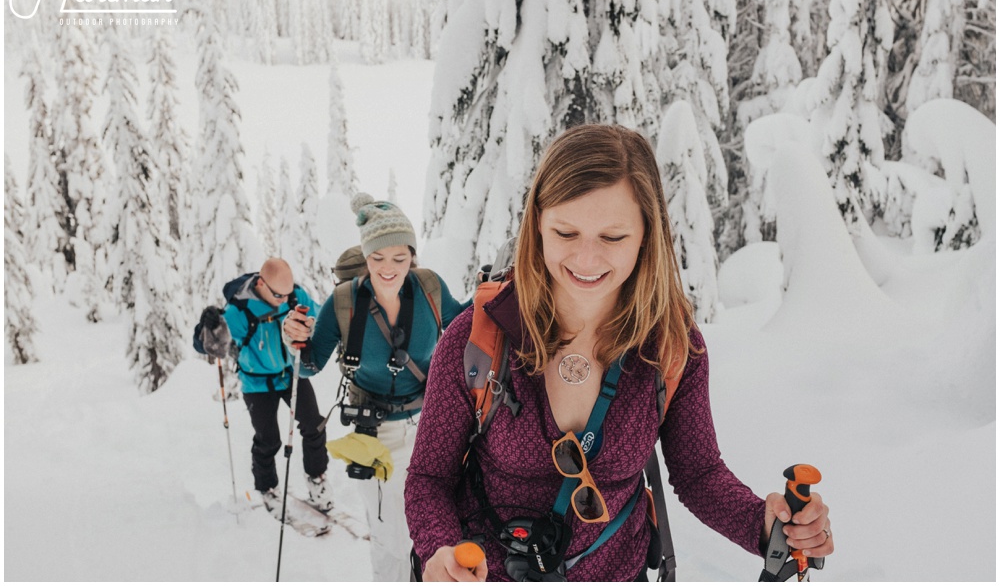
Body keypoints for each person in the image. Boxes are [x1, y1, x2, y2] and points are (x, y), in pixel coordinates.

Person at [403, 125, 834, 581]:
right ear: (537, 227)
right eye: (566, 232)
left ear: (647, 234)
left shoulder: (671, 345)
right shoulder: (479, 337)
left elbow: (698, 473)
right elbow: (429, 479)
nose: (586, 260)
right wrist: (440, 551)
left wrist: (765, 525)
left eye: (612, 237)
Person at [282, 193, 471, 582]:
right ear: (366, 259)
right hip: (375, 434)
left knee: (439, 530)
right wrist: (295, 340)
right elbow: (309, 367)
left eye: (399, 258)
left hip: (432, 427)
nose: (388, 268)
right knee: (389, 538)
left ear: (412, 257)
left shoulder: (430, 289)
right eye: (377, 258)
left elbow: (465, 325)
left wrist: (494, 292)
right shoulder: (343, 302)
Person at [194, 258, 332, 513]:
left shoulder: (294, 297)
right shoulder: (239, 312)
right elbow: (208, 346)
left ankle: (317, 478)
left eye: (287, 294)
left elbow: (321, 316)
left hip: (292, 373)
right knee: (269, 439)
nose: (283, 299)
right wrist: (208, 327)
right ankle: (267, 487)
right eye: (278, 294)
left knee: (314, 424)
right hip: (257, 382)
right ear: (261, 283)